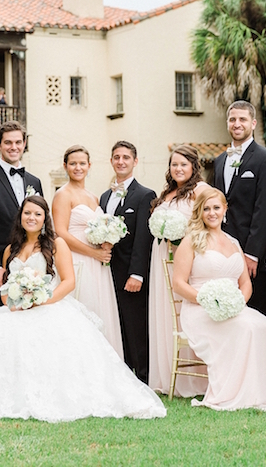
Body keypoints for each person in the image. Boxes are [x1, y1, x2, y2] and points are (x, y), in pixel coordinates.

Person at [0, 196, 166, 422]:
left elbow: (68, 282)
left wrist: (42, 300)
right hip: (16, 310)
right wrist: (13, 302)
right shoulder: (11, 250)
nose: (31, 218)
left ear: (45, 219)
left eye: (37, 214)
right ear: (20, 217)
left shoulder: (56, 244)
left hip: (50, 305)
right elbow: (6, 288)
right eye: (27, 213)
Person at [172, 188, 266, 411]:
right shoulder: (190, 241)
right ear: (200, 212)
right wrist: (207, 301)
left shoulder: (233, 241)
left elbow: (245, 283)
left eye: (216, 207)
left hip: (233, 309)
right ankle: (235, 393)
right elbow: (179, 283)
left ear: (225, 209)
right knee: (247, 328)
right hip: (200, 310)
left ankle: (262, 392)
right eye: (206, 209)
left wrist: (237, 304)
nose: (212, 213)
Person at [148, 144, 209, 397]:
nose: (178, 168)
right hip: (161, 256)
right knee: (164, 311)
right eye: (174, 164)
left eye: (184, 164)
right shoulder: (168, 193)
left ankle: (195, 379)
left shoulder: (201, 190)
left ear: (194, 167)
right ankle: (167, 374)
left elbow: (212, 219)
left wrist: (184, 236)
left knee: (185, 311)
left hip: (186, 257)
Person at [52, 145, 123, 357]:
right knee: (80, 310)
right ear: (65, 166)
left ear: (89, 166)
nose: (78, 167)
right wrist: (93, 253)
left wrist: (108, 240)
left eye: (82, 163)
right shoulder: (62, 194)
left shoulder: (94, 197)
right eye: (73, 163)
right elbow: (61, 233)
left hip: (98, 262)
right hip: (77, 262)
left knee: (98, 310)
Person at [213, 100, 266, 320]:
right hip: (223, 251)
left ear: (253, 123)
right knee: (228, 313)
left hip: (253, 256)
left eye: (242, 119)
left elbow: (265, 209)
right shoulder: (220, 161)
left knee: (257, 314)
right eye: (232, 119)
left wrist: (252, 254)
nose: (237, 123)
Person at [0, 120, 44, 314]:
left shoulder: (34, 181)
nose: (14, 147)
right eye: (8, 143)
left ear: (24, 144)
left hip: (33, 270)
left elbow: (40, 224)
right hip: (0, 271)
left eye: (18, 142)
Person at [100, 141, 156, 382]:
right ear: (111, 161)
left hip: (131, 273)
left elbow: (144, 238)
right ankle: (122, 372)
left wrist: (137, 273)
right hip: (106, 272)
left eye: (125, 157)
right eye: (116, 157)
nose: (120, 161)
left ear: (135, 161)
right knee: (117, 323)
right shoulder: (104, 197)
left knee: (135, 324)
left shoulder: (145, 195)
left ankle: (142, 375)